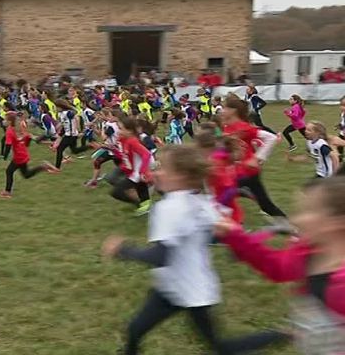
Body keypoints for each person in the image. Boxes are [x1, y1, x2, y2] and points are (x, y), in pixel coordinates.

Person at [102, 145, 279, 355]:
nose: (155, 172)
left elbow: (161, 256)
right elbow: (222, 234)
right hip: (178, 287)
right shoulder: (201, 202)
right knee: (134, 331)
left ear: (182, 176)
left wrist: (122, 250)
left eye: (162, 168)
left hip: (190, 292)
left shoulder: (169, 208)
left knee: (220, 348)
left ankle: (284, 335)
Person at [215, 176, 345, 352]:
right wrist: (236, 236)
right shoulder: (306, 252)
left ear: (337, 222)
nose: (296, 219)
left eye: (309, 211)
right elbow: (277, 268)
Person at [222, 96, 288, 222]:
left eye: (225, 108)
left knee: (222, 196)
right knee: (265, 205)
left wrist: (257, 158)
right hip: (238, 171)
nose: (221, 111)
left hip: (248, 172)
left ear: (233, 111)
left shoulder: (243, 127)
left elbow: (271, 138)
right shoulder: (227, 127)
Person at [0, 113, 58, 198]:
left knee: (9, 171)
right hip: (23, 154)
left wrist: (5, 156)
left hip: (19, 156)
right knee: (26, 175)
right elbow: (27, 138)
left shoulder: (9, 131)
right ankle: (43, 167)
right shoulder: (18, 128)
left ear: (10, 121)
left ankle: (7, 192)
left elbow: (8, 145)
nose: (3, 121)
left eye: (5, 120)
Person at [195, 123, 243, 224]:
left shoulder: (216, 162)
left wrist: (216, 205)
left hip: (226, 214)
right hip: (222, 212)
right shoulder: (216, 158)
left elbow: (229, 189)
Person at [109, 116, 152, 216]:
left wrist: (142, 171)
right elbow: (124, 155)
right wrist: (113, 149)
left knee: (116, 192)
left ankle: (142, 205)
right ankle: (144, 206)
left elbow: (146, 154)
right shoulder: (124, 140)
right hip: (131, 172)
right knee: (142, 191)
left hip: (136, 174)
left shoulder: (133, 141)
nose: (118, 131)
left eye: (120, 128)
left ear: (130, 131)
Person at [53, 99, 89, 170]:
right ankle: (90, 146)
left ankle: (57, 168)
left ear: (61, 107)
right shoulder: (61, 114)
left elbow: (77, 118)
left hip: (70, 135)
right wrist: (60, 127)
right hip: (69, 134)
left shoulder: (68, 113)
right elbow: (65, 124)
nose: (55, 108)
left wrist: (78, 130)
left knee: (59, 149)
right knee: (74, 150)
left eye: (56, 107)